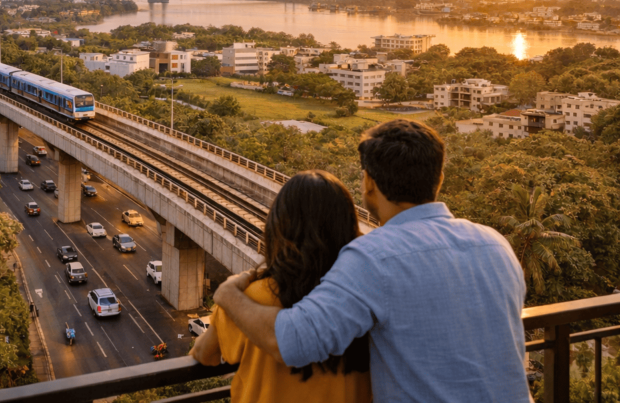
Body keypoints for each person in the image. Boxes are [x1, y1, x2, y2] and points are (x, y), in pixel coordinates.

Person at [212, 120, 531, 403]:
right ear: (439, 179)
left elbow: (292, 342)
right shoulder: (495, 243)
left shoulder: (375, 256)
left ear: (368, 184)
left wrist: (228, 296)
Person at [193, 171, 370, 403]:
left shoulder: (248, 298)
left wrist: (227, 294)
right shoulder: (365, 294)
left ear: (277, 227)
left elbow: (205, 354)